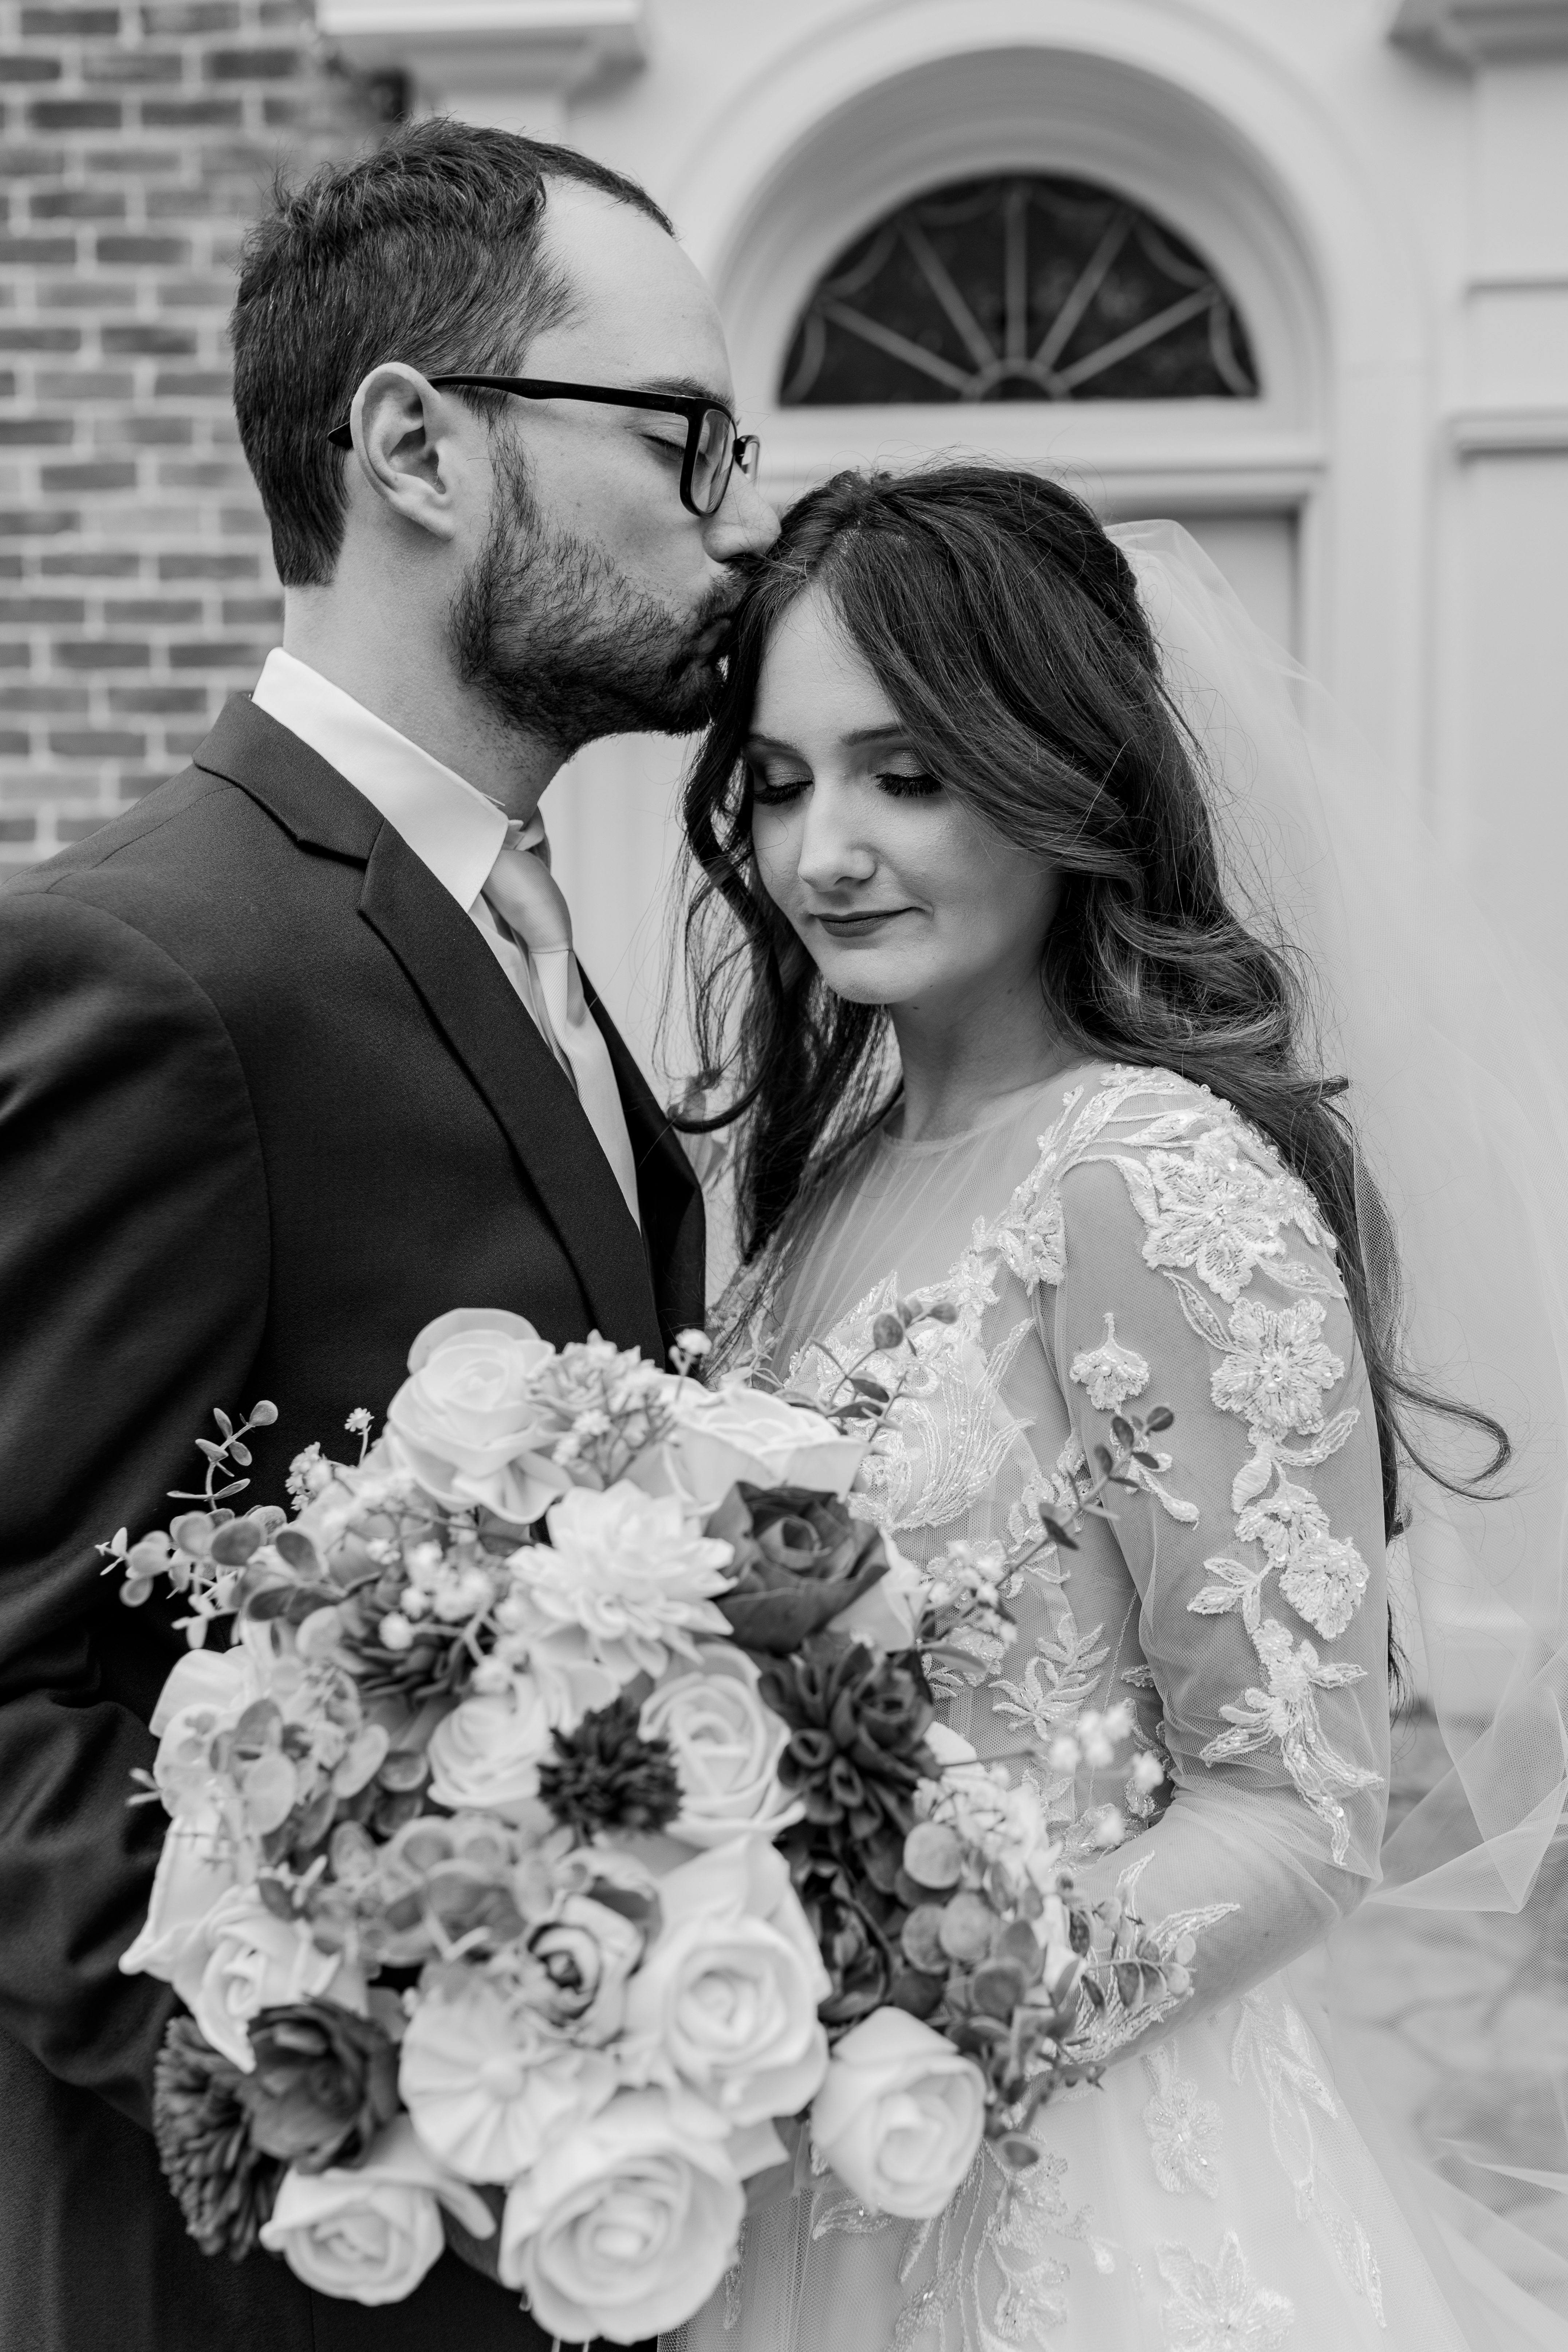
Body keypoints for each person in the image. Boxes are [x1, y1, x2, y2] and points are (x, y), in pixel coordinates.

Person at [0, 120, 776, 2352]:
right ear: (419, 447)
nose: (730, 517)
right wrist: (361, 2101)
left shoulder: (520, 924)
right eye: (681, 435)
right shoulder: (154, 966)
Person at [667, 465, 1568, 2351]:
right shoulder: (827, 1186)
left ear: (1060, 775)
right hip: (779, 2164)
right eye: (781, 781)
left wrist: (923, 2014)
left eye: (906, 775)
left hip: (1072, 2186)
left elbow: (1297, 1809)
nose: (825, 849)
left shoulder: (1153, 1180)